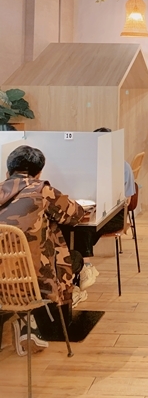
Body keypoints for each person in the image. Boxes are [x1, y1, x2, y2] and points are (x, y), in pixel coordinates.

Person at [0, 145, 85, 355]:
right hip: (36, 284)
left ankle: (26, 323)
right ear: (38, 173)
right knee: (76, 259)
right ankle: (34, 322)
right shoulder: (42, 190)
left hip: (1, 283)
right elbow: (75, 214)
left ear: (8, 171)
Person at [65, 128, 136, 289]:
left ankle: (85, 267)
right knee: (72, 225)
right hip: (91, 209)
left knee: (85, 228)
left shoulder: (122, 166)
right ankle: (74, 271)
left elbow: (128, 199)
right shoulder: (86, 165)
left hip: (115, 214)